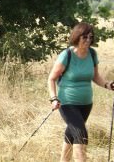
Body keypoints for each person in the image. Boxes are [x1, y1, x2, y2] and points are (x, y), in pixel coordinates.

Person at [47, 22, 114, 162]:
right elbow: (51, 79)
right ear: (77, 37)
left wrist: (108, 85)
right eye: (85, 37)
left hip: (86, 104)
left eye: (91, 37)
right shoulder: (67, 55)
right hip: (67, 103)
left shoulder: (92, 54)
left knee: (71, 135)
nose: (88, 40)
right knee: (81, 137)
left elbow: (95, 77)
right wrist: (54, 98)